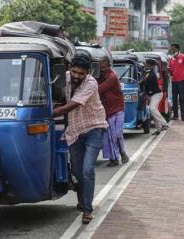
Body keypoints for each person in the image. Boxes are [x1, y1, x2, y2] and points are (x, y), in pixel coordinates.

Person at [53, 53, 108, 224]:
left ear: (87, 73)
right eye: (75, 72)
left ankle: (87, 210)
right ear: (70, 69)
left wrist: (51, 112)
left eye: (81, 73)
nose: (77, 76)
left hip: (94, 128)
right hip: (74, 131)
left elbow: (73, 104)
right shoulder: (65, 78)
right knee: (77, 172)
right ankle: (82, 199)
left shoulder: (91, 83)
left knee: (87, 170)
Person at [97, 56, 129, 167]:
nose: (103, 69)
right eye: (101, 67)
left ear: (109, 66)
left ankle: (122, 152)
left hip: (118, 108)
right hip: (107, 109)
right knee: (109, 136)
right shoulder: (101, 76)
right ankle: (114, 158)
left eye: (104, 67)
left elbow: (99, 88)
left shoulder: (112, 76)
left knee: (117, 133)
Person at [140, 59, 169, 135]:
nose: (146, 66)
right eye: (146, 64)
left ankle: (164, 124)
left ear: (152, 66)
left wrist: (142, 80)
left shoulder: (152, 74)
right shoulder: (145, 72)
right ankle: (158, 129)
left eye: (148, 65)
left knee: (152, 108)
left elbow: (145, 79)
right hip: (150, 95)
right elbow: (143, 78)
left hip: (157, 94)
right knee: (153, 111)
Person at [169, 43, 184, 121]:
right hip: (174, 81)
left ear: (177, 49)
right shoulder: (172, 58)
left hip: (181, 81)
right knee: (174, 99)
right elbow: (170, 69)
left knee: (182, 99)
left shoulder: (183, 57)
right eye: (172, 49)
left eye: (173, 49)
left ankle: (183, 116)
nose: (172, 50)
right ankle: (175, 116)